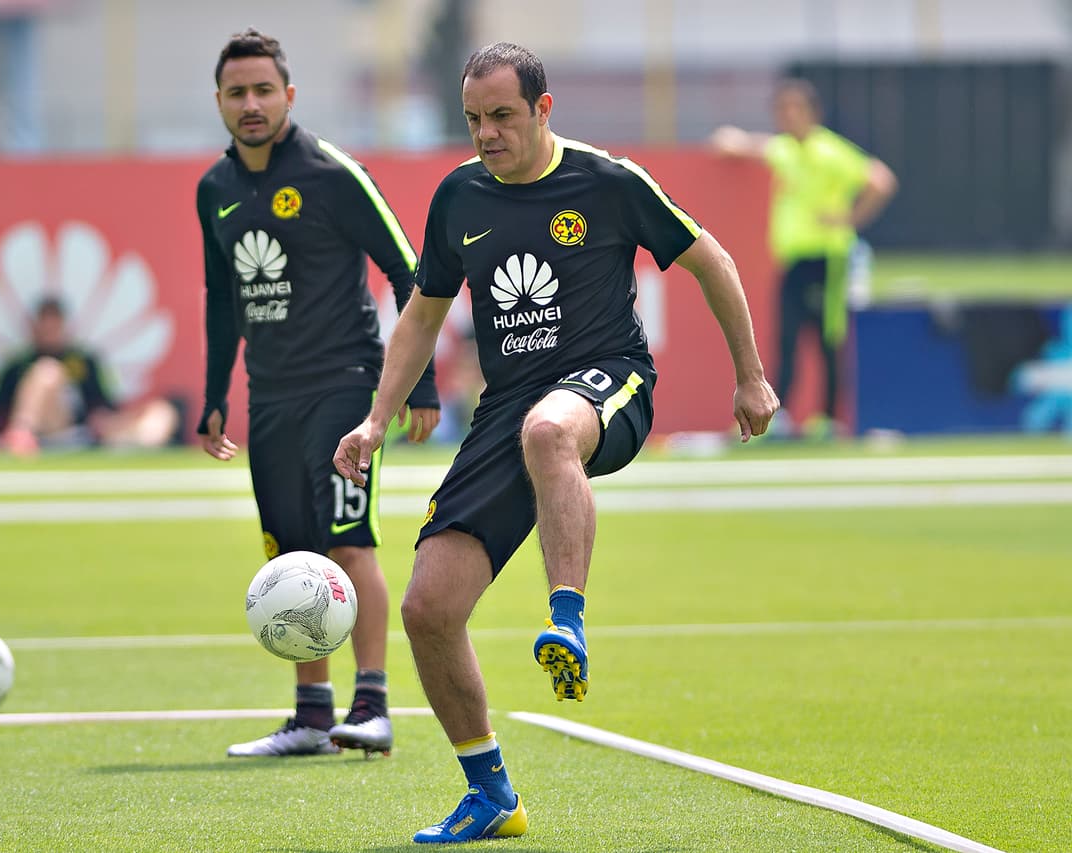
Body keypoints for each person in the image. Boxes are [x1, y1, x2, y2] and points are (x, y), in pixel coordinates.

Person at [333, 42, 779, 843]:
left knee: (549, 431)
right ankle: (492, 794)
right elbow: (423, 315)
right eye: (473, 119)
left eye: (502, 115)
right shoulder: (459, 197)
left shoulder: (607, 181)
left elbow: (714, 262)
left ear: (543, 109)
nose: (487, 133)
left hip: (610, 382)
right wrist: (375, 417)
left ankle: (565, 617)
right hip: (506, 406)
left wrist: (749, 376)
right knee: (428, 608)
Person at [196, 29, 440, 758]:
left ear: (289, 96)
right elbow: (221, 298)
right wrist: (215, 393)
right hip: (269, 397)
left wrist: (417, 384)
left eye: (263, 90)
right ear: (219, 101)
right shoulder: (215, 189)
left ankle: (373, 706)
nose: (251, 104)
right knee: (289, 553)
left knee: (345, 540)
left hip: (346, 385)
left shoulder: (334, 173)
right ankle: (310, 717)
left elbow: (411, 272)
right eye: (237, 92)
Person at [711, 78, 898, 438]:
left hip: (827, 259)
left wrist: (850, 219)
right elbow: (754, 146)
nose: (787, 116)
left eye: (795, 108)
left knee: (827, 339)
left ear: (813, 113)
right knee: (787, 336)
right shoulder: (786, 150)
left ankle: (829, 418)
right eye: (781, 109)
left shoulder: (829, 151)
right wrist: (731, 141)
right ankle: (782, 416)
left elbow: (881, 180)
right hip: (795, 260)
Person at [0, 296, 181, 456]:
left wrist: (103, 419)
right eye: (45, 324)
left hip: (86, 434)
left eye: (54, 324)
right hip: (51, 431)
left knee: (161, 412)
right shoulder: (18, 364)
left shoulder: (86, 360)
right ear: (34, 326)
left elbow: (106, 403)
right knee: (46, 372)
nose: (49, 330)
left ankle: (136, 448)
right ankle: (20, 438)